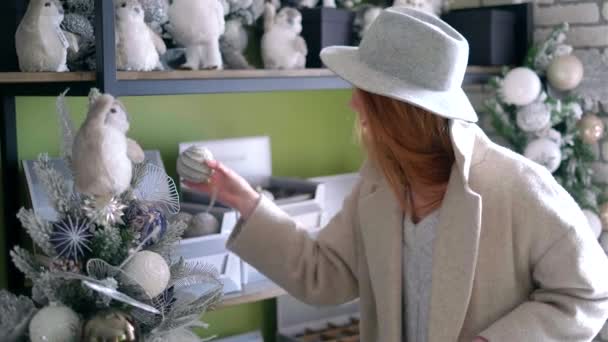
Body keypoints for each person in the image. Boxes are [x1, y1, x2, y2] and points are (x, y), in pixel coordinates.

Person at [185, 7, 608, 342]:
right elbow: (323, 274)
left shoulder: (517, 186)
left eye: (363, 92)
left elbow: (588, 295)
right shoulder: (380, 182)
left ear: (397, 109)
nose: (353, 105)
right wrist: (242, 198)